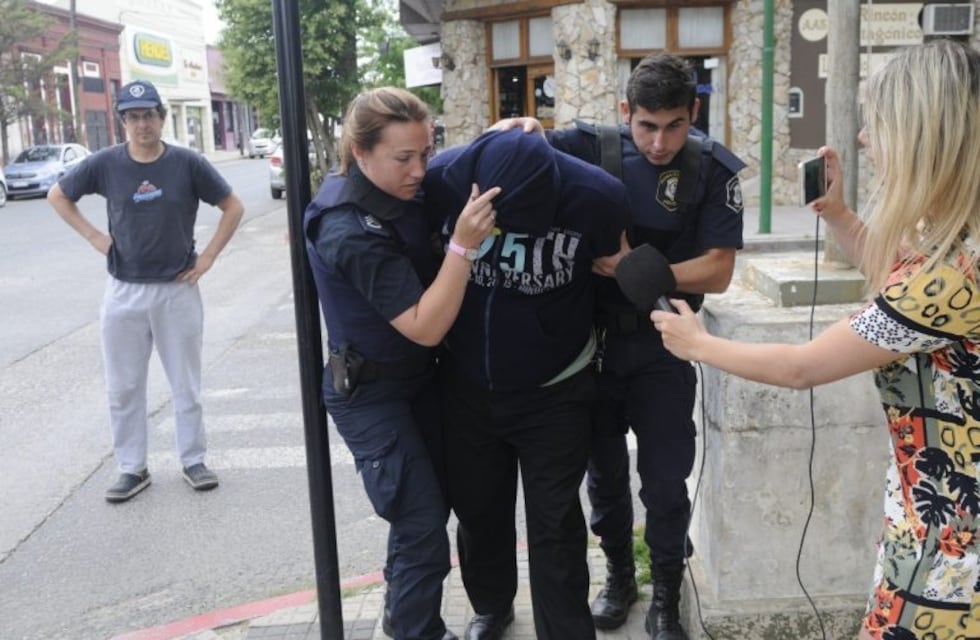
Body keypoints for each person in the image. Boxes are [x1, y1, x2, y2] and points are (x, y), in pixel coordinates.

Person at [651, 39, 980, 640]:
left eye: (875, 126)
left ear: (920, 135)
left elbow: (802, 367)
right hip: (939, 512)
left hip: (952, 541)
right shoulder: (959, 248)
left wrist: (697, 343)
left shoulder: (950, 276)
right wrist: (838, 215)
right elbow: (898, 280)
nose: (864, 142)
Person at [496, 53, 745, 638]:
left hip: (666, 344)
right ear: (625, 111)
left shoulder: (712, 168)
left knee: (663, 479)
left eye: (675, 125)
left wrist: (634, 267)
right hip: (590, 345)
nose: (660, 142)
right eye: (647, 125)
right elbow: (521, 152)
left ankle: (665, 594)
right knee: (602, 477)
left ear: (695, 113)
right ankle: (620, 577)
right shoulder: (590, 147)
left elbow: (717, 271)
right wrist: (525, 128)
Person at [303, 87, 498, 640]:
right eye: (405, 158)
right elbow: (424, 324)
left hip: (418, 381)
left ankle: (406, 617)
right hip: (371, 394)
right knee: (421, 531)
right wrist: (461, 247)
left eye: (426, 152)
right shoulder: (345, 225)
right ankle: (416, 630)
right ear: (360, 153)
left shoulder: (397, 186)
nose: (421, 170)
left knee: (428, 515)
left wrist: (516, 128)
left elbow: (461, 161)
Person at [423, 128, 630, 640]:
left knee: (556, 523)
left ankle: (564, 630)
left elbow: (610, 275)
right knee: (478, 509)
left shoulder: (597, 196)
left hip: (556, 387)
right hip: (469, 381)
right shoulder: (442, 180)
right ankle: (491, 606)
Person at [47, 79, 244, 503]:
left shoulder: (187, 164)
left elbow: (233, 206)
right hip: (124, 292)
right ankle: (132, 468)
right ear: (122, 122)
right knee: (123, 386)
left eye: (149, 115)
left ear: (162, 118)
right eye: (133, 117)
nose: (142, 124)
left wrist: (207, 258)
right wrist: (95, 237)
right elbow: (58, 195)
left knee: (185, 383)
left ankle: (193, 459)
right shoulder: (104, 164)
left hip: (177, 290)